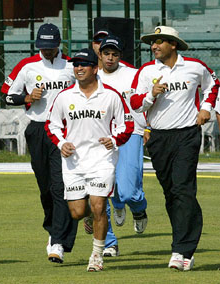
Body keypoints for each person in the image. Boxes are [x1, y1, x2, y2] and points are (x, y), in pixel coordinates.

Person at [130, 25, 219, 271]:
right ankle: (184, 240)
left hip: (187, 136)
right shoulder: (146, 71)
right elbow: (135, 103)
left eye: (160, 41)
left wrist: (206, 108)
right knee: (172, 193)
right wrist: (151, 94)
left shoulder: (194, 66)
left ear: (174, 44)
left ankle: (183, 250)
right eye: (152, 42)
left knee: (182, 189)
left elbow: (213, 84)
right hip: (158, 138)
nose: (154, 46)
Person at [45, 48, 134, 271]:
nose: (79, 68)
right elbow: (52, 125)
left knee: (98, 204)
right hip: (74, 162)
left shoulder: (111, 95)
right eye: (76, 65)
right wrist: (61, 143)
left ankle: (96, 255)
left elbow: (127, 125)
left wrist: (114, 140)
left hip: (102, 160)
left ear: (96, 68)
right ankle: (96, 215)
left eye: (84, 64)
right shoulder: (64, 96)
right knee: (77, 211)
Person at [1, 23, 78, 264]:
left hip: (65, 131)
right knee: (45, 188)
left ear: (59, 45)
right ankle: (52, 228)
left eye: (51, 47)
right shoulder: (27, 65)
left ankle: (58, 242)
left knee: (60, 186)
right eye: (42, 47)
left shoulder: (71, 66)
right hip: (37, 129)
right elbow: (6, 94)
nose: (46, 51)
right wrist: (26, 97)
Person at [98, 35, 148, 239]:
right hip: (101, 137)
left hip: (130, 133)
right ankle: (116, 208)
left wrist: (148, 128)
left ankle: (138, 208)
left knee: (128, 189)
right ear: (100, 55)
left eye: (114, 54)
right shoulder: (92, 77)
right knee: (106, 187)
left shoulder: (134, 74)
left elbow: (147, 102)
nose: (110, 58)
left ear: (120, 56)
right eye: (106, 53)